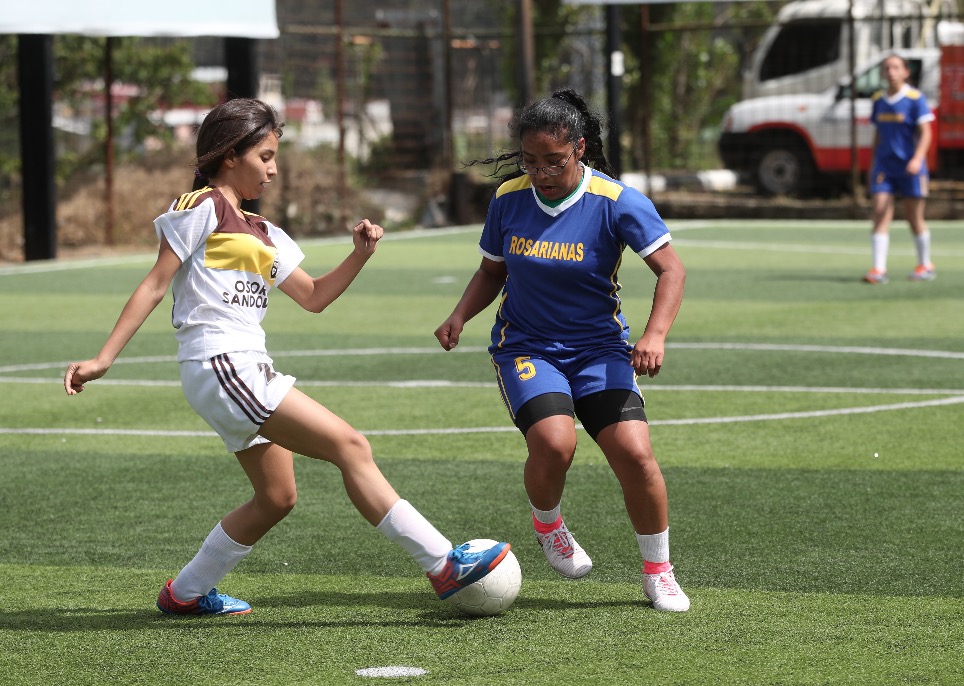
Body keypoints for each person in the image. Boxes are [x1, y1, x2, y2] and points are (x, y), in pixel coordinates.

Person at [64, 97, 509, 616]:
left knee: (277, 497)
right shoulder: (202, 207)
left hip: (240, 368)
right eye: (266, 157)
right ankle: (442, 565)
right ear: (230, 154)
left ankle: (184, 593)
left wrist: (360, 254)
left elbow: (314, 295)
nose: (273, 170)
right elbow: (153, 285)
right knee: (351, 446)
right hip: (222, 362)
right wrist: (103, 359)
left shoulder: (264, 232)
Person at [434, 88, 690, 612]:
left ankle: (658, 572)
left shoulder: (618, 202)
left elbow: (672, 269)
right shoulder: (508, 198)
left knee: (636, 456)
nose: (541, 172)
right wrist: (460, 315)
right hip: (527, 346)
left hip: (600, 349)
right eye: (530, 161)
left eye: (553, 160)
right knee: (555, 445)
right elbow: (492, 271)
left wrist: (655, 334)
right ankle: (548, 524)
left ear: (579, 148)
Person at [863, 53, 936, 284]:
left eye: (896, 67)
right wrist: (873, 162)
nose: (891, 72)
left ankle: (925, 264)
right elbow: (878, 134)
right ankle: (878, 269)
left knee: (914, 217)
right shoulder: (878, 100)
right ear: (883, 73)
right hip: (885, 167)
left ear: (906, 72)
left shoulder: (915, 99)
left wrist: (917, 159)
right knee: (880, 211)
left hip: (910, 168)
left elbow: (926, 132)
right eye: (887, 68)